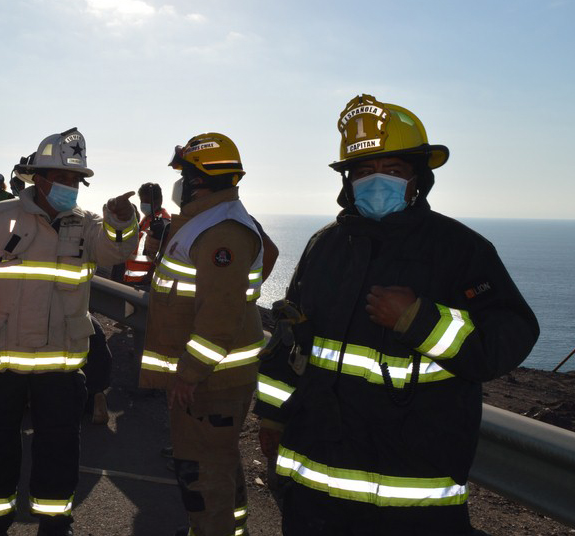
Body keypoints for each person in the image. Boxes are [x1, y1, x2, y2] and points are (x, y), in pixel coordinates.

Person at [253, 94, 540, 536]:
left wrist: (421, 321)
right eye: (365, 172)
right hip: (313, 496)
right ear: (348, 182)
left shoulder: (460, 250)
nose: (377, 181)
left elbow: (508, 338)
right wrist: (271, 416)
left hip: (412, 508)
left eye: (393, 170)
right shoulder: (324, 246)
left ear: (417, 180)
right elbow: (289, 343)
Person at [0, 127, 138, 536]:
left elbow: (115, 250)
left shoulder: (87, 225)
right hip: (1, 359)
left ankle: (55, 522)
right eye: (65, 179)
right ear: (41, 178)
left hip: (61, 363)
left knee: (59, 448)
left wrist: (122, 222)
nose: (71, 187)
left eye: (76, 181)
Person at [138, 133, 275, 536]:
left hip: (211, 380)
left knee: (203, 473)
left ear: (199, 180)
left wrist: (189, 372)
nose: (180, 184)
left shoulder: (221, 230)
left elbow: (219, 314)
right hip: (213, 374)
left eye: (184, 174)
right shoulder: (213, 219)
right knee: (219, 463)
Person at [121, 182, 171, 284]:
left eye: (147, 201)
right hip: (132, 280)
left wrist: (148, 278)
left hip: (145, 283)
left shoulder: (163, 223)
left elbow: (162, 255)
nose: (143, 204)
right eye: (142, 201)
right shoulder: (146, 219)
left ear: (159, 200)